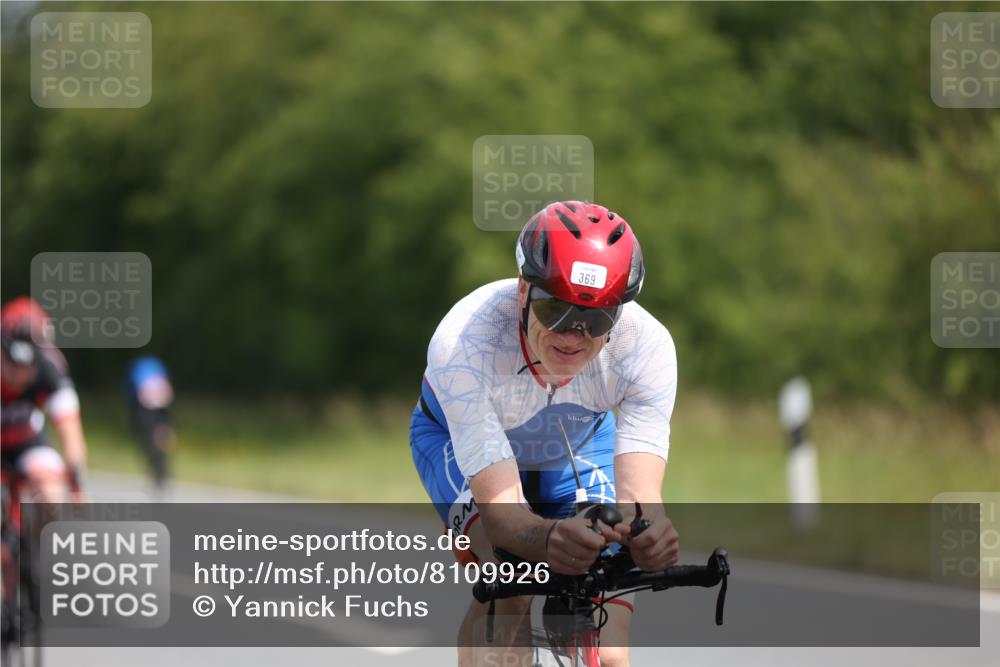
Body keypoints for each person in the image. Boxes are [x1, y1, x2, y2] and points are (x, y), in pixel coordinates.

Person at [410, 201, 680, 666]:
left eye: (595, 319)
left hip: (574, 440)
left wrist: (649, 533)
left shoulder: (648, 347)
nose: (572, 335)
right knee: (513, 583)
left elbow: (641, 498)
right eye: (555, 307)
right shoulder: (464, 341)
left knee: (610, 650)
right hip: (456, 442)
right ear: (522, 291)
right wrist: (548, 537)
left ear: (620, 314)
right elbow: (504, 516)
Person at [0, 297, 87, 505]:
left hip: (26, 438)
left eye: (29, 367)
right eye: (13, 364)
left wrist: (76, 485)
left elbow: (70, 429)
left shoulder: (51, 368)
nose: (20, 375)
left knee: (52, 493)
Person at [123, 356, 175, 493]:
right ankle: (157, 473)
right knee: (151, 444)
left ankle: (161, 474)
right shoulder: (148, 369)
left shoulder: (151, 369)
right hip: (147, 410)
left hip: (157, 411)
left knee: (158, 444)